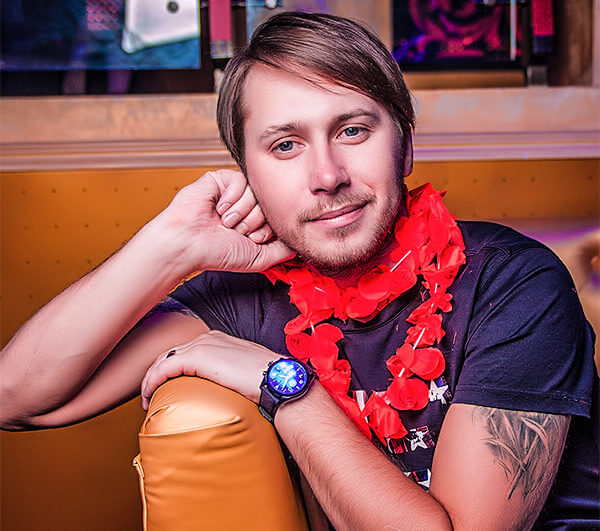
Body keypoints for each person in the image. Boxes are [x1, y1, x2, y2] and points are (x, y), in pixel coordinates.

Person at [1, 12, 598, 529]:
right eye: (285, 145)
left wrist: (286, 387)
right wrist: (171, 247)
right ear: (248, 175)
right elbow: (17, 400)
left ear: (406, 147)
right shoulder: (244, 298)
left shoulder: (514, 284)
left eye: (353, 130)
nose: (327, 176)